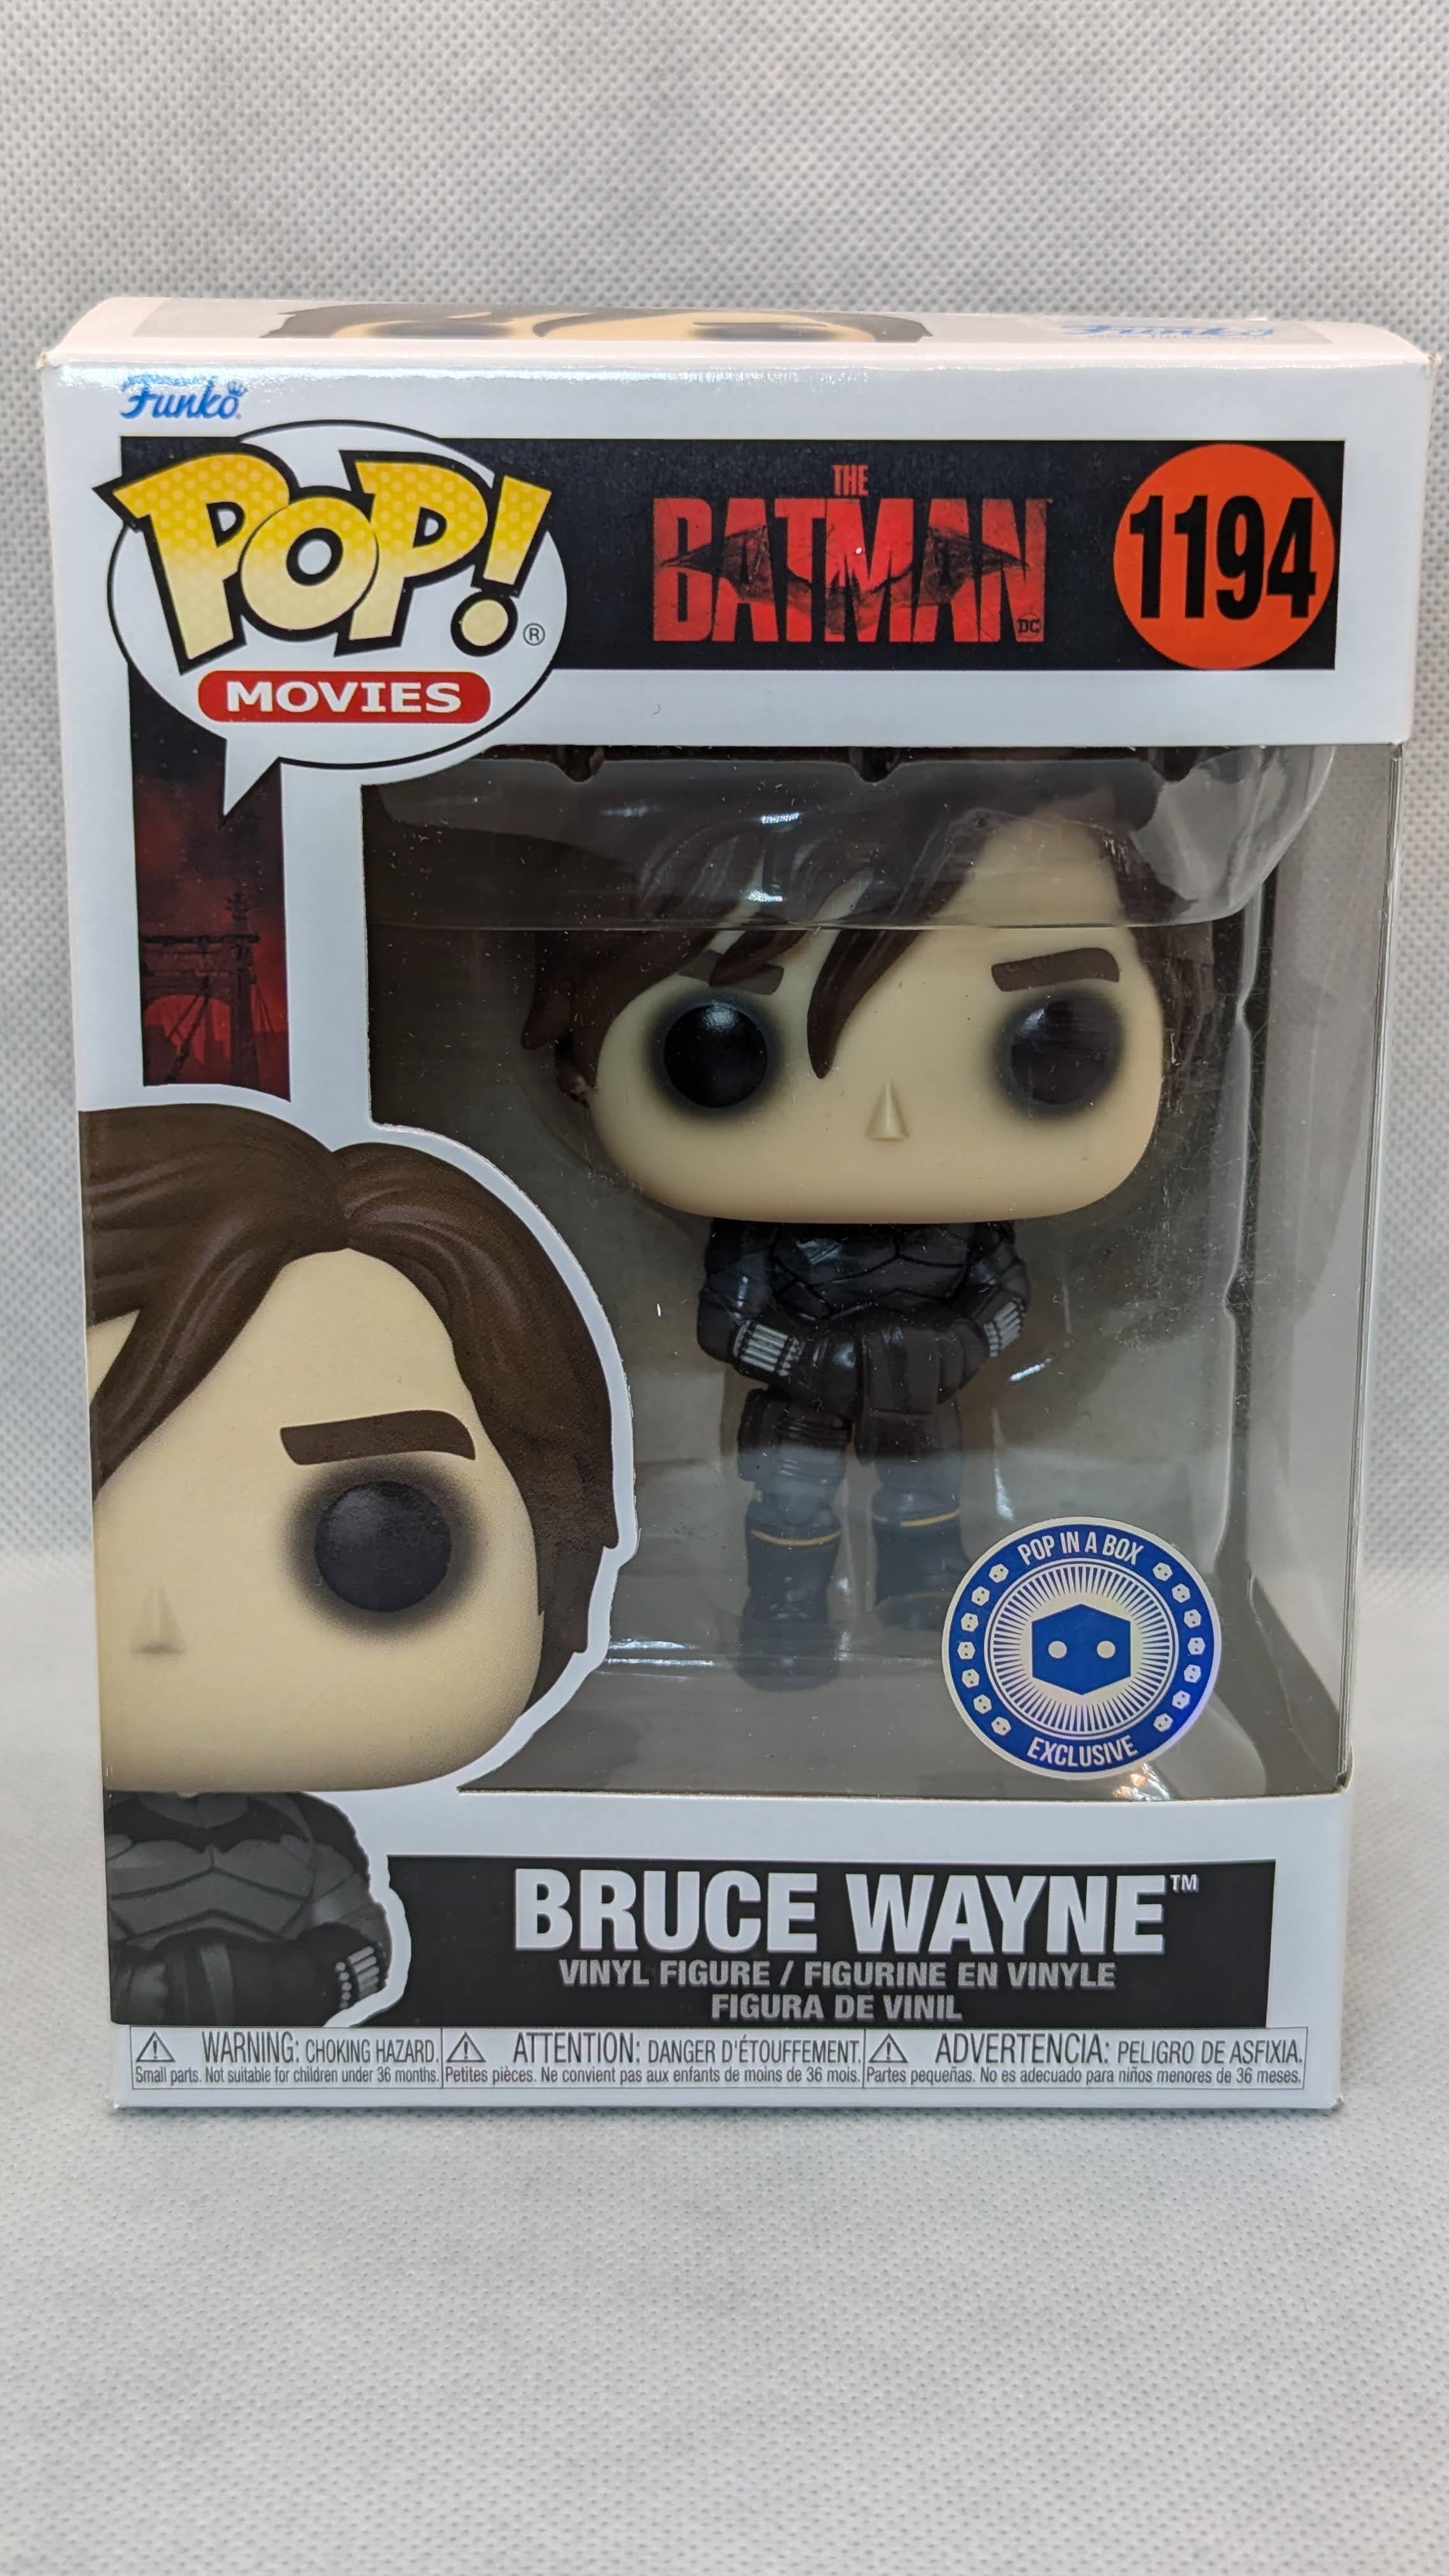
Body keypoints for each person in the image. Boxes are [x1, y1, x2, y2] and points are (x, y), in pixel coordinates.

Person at [521, 759, 1215, 1685]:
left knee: (926, 1495)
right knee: (791, 1505)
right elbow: (729, 1324)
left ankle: (926, 1597)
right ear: (578, 1065)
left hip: (924, 1391)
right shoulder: (765, 1236)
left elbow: (1006, 1296)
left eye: (1052, 1046)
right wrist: (815, 1359)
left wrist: (962, 1343)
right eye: (723, 1048)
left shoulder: (966, 1236)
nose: (889, 1124)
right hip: (802, 1396)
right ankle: (786, 1610)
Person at [84, 1104, 618, 2020]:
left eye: (377, 1540)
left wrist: (283, 1984)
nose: (157, 1629)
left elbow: (365, 1950)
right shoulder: (67, 1854)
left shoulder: (310, 1845)